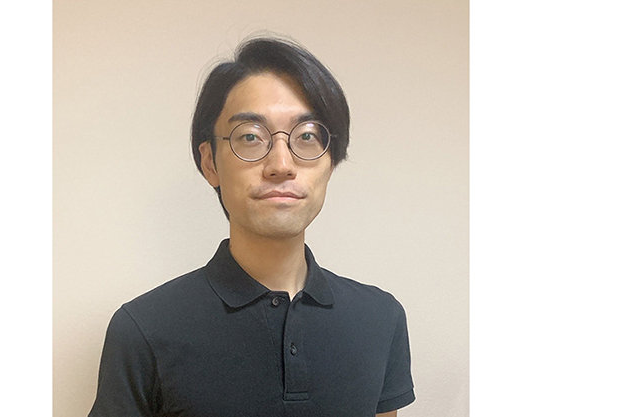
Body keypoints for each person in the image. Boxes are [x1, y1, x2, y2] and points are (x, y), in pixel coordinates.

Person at [88, 37, 415, 417]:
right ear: (210, 163)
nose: (281, 164)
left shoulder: (380, 318)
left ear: (331, 162)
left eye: (307, 136)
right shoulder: (142, 328)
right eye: (250, 137)